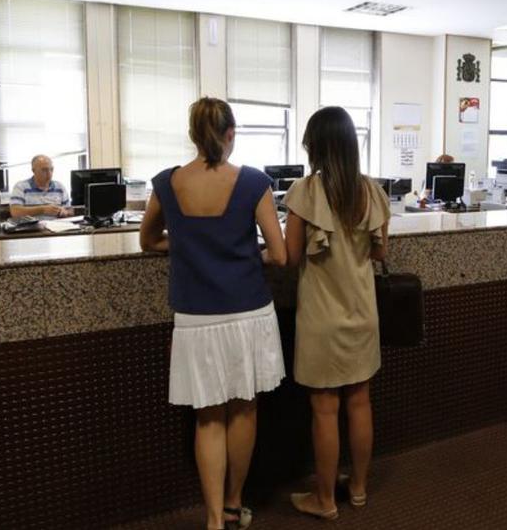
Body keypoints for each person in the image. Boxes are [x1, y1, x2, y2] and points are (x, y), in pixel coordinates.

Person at [139, 97, 287, 530]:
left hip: (195, 316)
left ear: (192, 135)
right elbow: (279, 255)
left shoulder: (167, 183)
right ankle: (233, 504)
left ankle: (211, 520)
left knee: (208, 417)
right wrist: (248, 254)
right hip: (247, 310)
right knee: (243, 410)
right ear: (231, 134)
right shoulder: (254, 182)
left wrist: (184, 245)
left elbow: (148, 241)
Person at [282, 106, 392, 520]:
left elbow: (291, 257)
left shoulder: (305, 192)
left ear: (315, 146)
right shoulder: (373, 192)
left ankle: (325, 499)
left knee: (325, 408)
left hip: (322, 318)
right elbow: (381, 252)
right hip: (364, 313)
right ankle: (359, 489)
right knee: (360, 402)